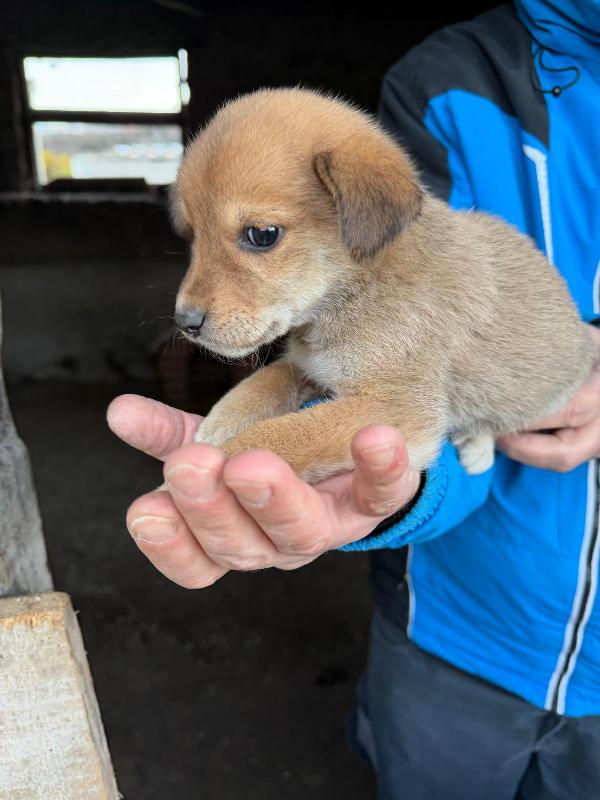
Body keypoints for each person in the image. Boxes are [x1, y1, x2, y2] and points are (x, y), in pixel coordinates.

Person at [107, 1, 600, 797]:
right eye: (196, 235)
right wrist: (377, 486)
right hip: (457, 632)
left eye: (257, 236)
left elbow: (395, 406)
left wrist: (246, 456)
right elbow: (382, 408)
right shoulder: (451, 82)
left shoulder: (387, 244)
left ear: (360, 215)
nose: (190, 302)